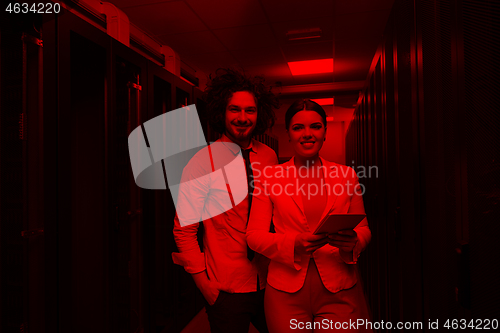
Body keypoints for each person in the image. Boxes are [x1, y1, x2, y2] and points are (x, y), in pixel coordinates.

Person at [246, 99, 372, 332]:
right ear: (288, 134)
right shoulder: (269, 177)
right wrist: (292, 243)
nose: (307, 134)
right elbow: (253, 236)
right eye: (298, 128)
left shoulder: (346, 175)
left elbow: (364, 229)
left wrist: (354, 242)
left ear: (325, 132)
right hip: (285, 292)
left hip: (340, 287)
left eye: (315, 126)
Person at [172, 68, 279, 333]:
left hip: (272, 282)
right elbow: (184, 230)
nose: (242, 118)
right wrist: (204, 286)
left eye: (250, 110)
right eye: (235, 110)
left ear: (259, 113)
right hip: (226, 289)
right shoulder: (201, 163)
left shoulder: (269, 156)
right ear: (222, 112)